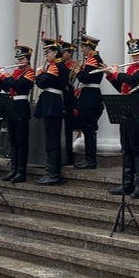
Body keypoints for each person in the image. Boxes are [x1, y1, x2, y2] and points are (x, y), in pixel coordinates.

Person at [107, 34, 139, 199]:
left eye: (138, 54)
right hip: (126, 108)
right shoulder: (130, 69)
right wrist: (110, 76)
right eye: (133, 55)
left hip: (138, 107)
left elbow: (134, 81)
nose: (135, 57)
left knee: (138, 148)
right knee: (126, 146)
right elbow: (123, 86)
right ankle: (127, 184)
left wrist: (116, 73)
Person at [0, 41, 35, 183]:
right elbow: (6, 87)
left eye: (22, 59)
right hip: (11, 105)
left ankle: (21, 171)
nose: (18, 61)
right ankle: (14, 169)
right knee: (14, 140)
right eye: (17, 59)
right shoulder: (16, 72)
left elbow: (17, 85)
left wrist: (5, 75)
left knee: (22, 141)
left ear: (28, 59)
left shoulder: (30, 73)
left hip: (21, 105)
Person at [34, 37, 70, 185]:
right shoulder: (54, 65)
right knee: (51, 138)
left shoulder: (56, 66)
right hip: (51, 103)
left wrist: (40, 73)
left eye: (48, 52)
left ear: (55, 52)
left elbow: (42, 82)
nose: (46, 55)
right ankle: (51, 171)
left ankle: (53, 173)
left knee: (52, 139)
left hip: (52, 104)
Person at [73, 31, 104, 170]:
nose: (82, 49)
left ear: (88, 47)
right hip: (88, 95)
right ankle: (89, 158)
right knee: (87, 128)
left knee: (89, 128)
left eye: (83, 47)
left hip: (91, 97)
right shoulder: (92, 59)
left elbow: (86, 78)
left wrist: (78, 71)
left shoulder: (93, 60)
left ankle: (90, 160)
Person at [60, 39, 79, 167]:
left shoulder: (73, 64)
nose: (61, 55)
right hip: (58, 95)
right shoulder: (59, 63)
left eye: (64, 52)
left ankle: (68, 155)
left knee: (67, 127)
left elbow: (70, 79)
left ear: (69, 53)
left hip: (68, 95)